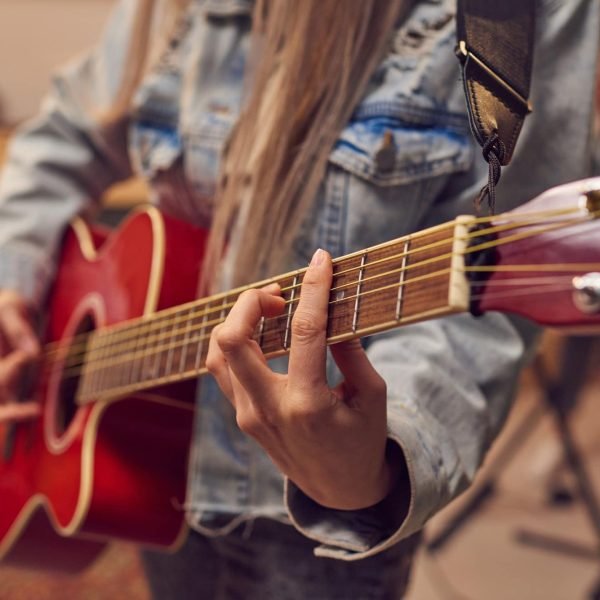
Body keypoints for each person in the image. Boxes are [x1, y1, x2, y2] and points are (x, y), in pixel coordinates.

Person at [0, 0, 598, 598]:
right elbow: (61, 137)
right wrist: (12, 278)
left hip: (311, 530)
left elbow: (484, 307)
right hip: (153, 475)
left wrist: (375, 459)